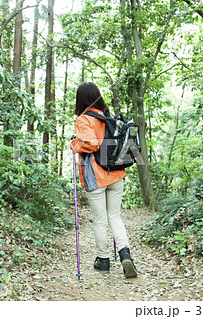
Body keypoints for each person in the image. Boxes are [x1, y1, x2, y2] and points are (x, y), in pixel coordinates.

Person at [70, 82, 137, 278]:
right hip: (116, 174)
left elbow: (90, 144)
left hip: (96, 177)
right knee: (114, 216)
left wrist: (74, 144)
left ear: (80, 99)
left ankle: (104, 261)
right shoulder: (108, 117)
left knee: (100, 220)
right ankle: (125, 254)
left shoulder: (84, 120)